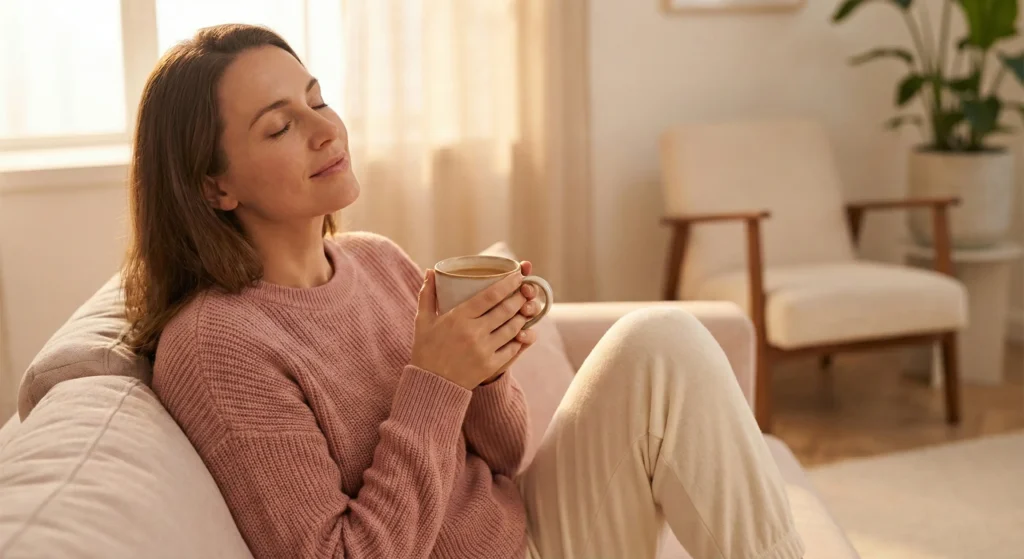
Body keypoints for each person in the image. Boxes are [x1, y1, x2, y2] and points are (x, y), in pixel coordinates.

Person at [123, 23, 804, 559]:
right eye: (280, 125)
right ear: (215, 186)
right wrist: (434, 381)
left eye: (317, 99)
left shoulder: (377, 262)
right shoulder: (217, 345)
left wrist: (485, 368)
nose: (326, 130)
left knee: (664, 339)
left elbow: (505, 455)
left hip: (526, 535)